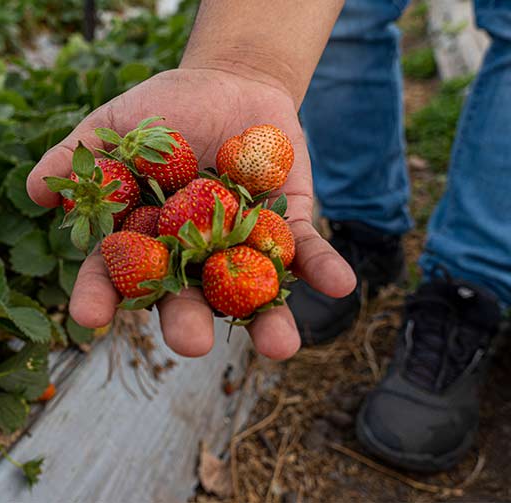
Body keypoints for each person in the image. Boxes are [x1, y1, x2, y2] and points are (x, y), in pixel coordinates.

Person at [26, 0, 509, 472]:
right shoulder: (181, 208)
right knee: (354, 13)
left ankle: (469, 283)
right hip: (206, 220)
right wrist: (242, 64)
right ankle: (366, 231)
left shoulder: (202, 210)